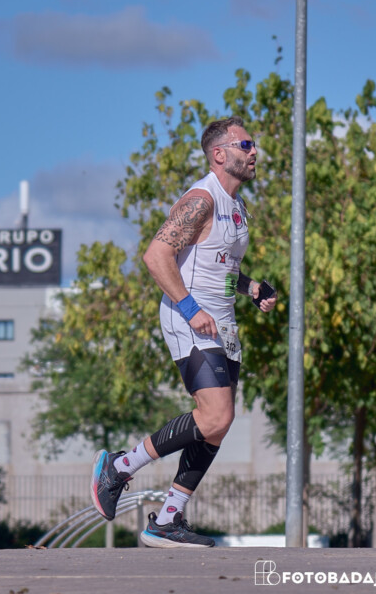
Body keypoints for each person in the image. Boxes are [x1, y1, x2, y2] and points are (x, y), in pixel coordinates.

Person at [90, 116, 277, 548]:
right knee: (215, 416)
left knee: (217, 425)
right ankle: (118, 468)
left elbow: (218, 264)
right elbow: (156, 256)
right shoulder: (201, 199)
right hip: (189, 317)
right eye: (245, 145)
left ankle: (168, 519)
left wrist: (251, 288)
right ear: (219, 154)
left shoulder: (236, 206)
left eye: (253, 145)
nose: (254, 152)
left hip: (223, 322)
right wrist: (190, 309)